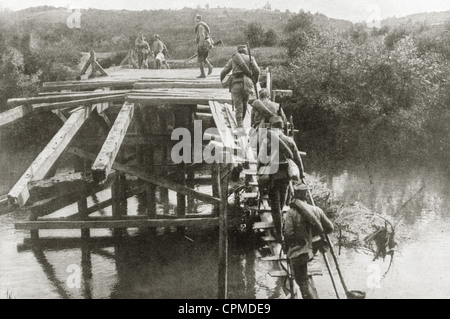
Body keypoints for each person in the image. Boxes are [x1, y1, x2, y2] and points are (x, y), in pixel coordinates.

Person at [283, 181, 334, 299]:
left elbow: (288, 233)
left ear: (295, 195)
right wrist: (313, 236)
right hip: (312, 249)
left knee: (302, 281)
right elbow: (330, 228)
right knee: (304, 276)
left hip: (299, 250)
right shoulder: (316, 210)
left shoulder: (291, 213)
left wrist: (287, 247)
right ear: (305, 195)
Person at [257, 115, 304, 242]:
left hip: (273, 177)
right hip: (285, 177)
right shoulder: (289, 140)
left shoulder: (267, 141)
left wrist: (258, 171)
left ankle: (279, 233)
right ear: (282, 127)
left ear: (271, 127)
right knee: (282, 202)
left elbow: (261, 159)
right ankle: (281, 226)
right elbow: (297, 159)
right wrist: (302, 174)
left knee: (275, 205)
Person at [220, 45, 260, 132]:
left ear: (238, 51)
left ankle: (240, 125)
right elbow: (257, 70)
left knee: (238, 105)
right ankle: (241, 123)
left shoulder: (233, 59)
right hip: (247, 83)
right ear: (245, 51)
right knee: (245, 103)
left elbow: (224, 71)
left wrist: (222, 81)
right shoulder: (250, 58)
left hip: (236, 82)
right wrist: (255, 81)